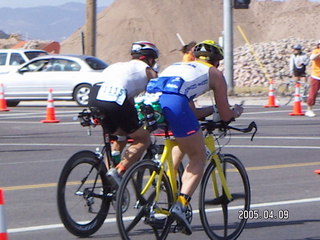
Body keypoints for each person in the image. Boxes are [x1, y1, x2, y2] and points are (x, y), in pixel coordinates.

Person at [146, 40, 243, 235]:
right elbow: (225, 115)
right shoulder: (215, 74)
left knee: (181, 142)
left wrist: (210, 109)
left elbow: (194, 113)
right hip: (175, 103)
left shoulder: (179, 66)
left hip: (149, 103)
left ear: (197, 57)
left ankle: (159, 190)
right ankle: (180, 205)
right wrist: (235, 112)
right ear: (216, 61)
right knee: (198, 155)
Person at [88, 41, 159, 185]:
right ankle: (119, 171)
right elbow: (159, 94)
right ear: (150, 59)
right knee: (143, 138)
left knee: (120, 134)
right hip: (114, 99)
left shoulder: (117, 66)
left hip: (94, 97)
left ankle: (109, 179)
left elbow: (129, 101)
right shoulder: (147, 70)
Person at [306, 41, 320, 117]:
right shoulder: (316, 51)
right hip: (316, 76)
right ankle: (309, 109)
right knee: (313, 93)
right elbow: (312, 58)